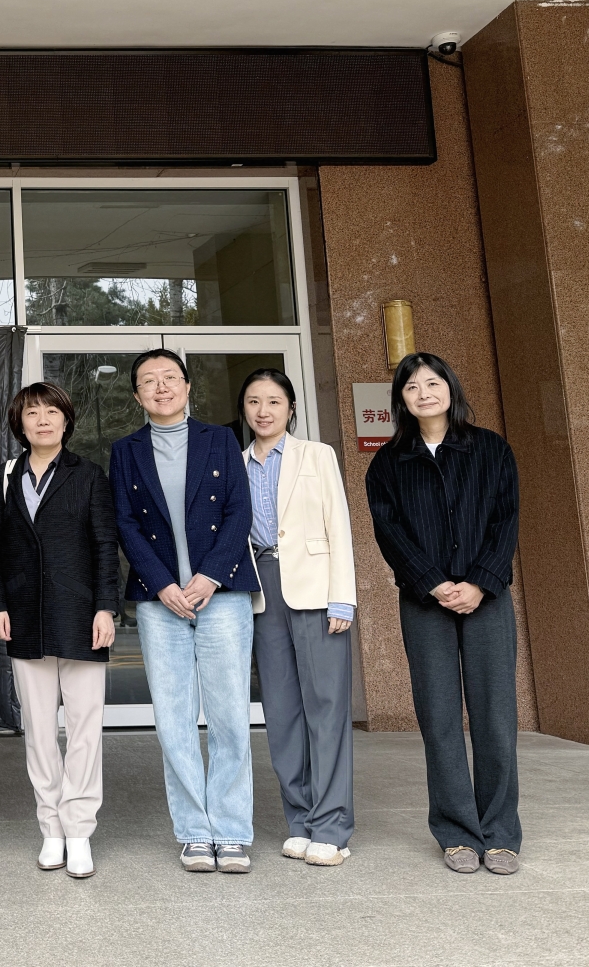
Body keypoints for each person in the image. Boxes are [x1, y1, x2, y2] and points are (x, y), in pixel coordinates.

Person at [365, 352, 521, 876]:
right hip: (423, 602)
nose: (424, 393)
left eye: (432, 383)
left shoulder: (491, 449)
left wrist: (479, 582)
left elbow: (506, 522)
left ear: (450, 389)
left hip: (487, 599)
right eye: (411, 387)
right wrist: (433, 583)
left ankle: (500, 833)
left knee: (494, 717)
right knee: (439, 718)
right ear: (401, 400)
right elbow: (390, 533)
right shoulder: (388, 463)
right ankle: (456, 833)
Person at [109, 348, 260, 874]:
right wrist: (162, 584)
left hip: (222, 593)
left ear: (188, 386)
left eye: (170, 377)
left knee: (229, 717)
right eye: (149, 381)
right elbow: (125, 523)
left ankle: (232, 831)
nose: (161, 387)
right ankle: (195, 831)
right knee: (174, 720)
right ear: (137, 395)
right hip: (161, 600)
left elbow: (239, 511)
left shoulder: (220, 439)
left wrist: (210, 575)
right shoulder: (125, 450)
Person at [0, 382, 120, 880]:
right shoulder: (3, 476)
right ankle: (51, 829)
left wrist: (106, 608)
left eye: (51, 411)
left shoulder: (89, 475)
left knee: (84, 729)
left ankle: (79, 830)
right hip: (23, 615)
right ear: (19, 424)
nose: (42, 420)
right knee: (39, 730)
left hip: (81, 614)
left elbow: (105, 544)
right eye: (32, 413)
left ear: (66, 420)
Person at [240, 368, 358, 868]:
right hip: (262, 591)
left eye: (273, 401)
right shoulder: (235, 463)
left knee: (326, 708)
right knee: (282, 712)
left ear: (290, 408)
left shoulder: (317, 454)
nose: (263, 410)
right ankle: (300, 819)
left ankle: (331, 825)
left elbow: (339, 526)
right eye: (253, 401)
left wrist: (342, 598)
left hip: (315, 590)